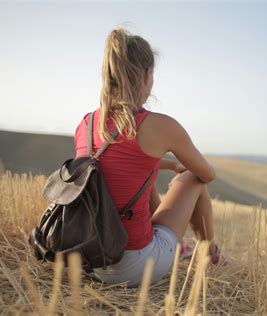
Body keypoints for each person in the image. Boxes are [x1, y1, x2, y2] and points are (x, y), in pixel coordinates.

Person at [73, 27, 224, 288]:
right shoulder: (158, 125)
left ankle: (181, 250)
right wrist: (183, 167)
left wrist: (164, 164)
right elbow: (207, 175)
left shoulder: (86, 125)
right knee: (192, 178)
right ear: (147, 75)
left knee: (142, 175)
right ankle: (210, 254)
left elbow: (114, 170)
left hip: (88, 260)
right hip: (134, 267)